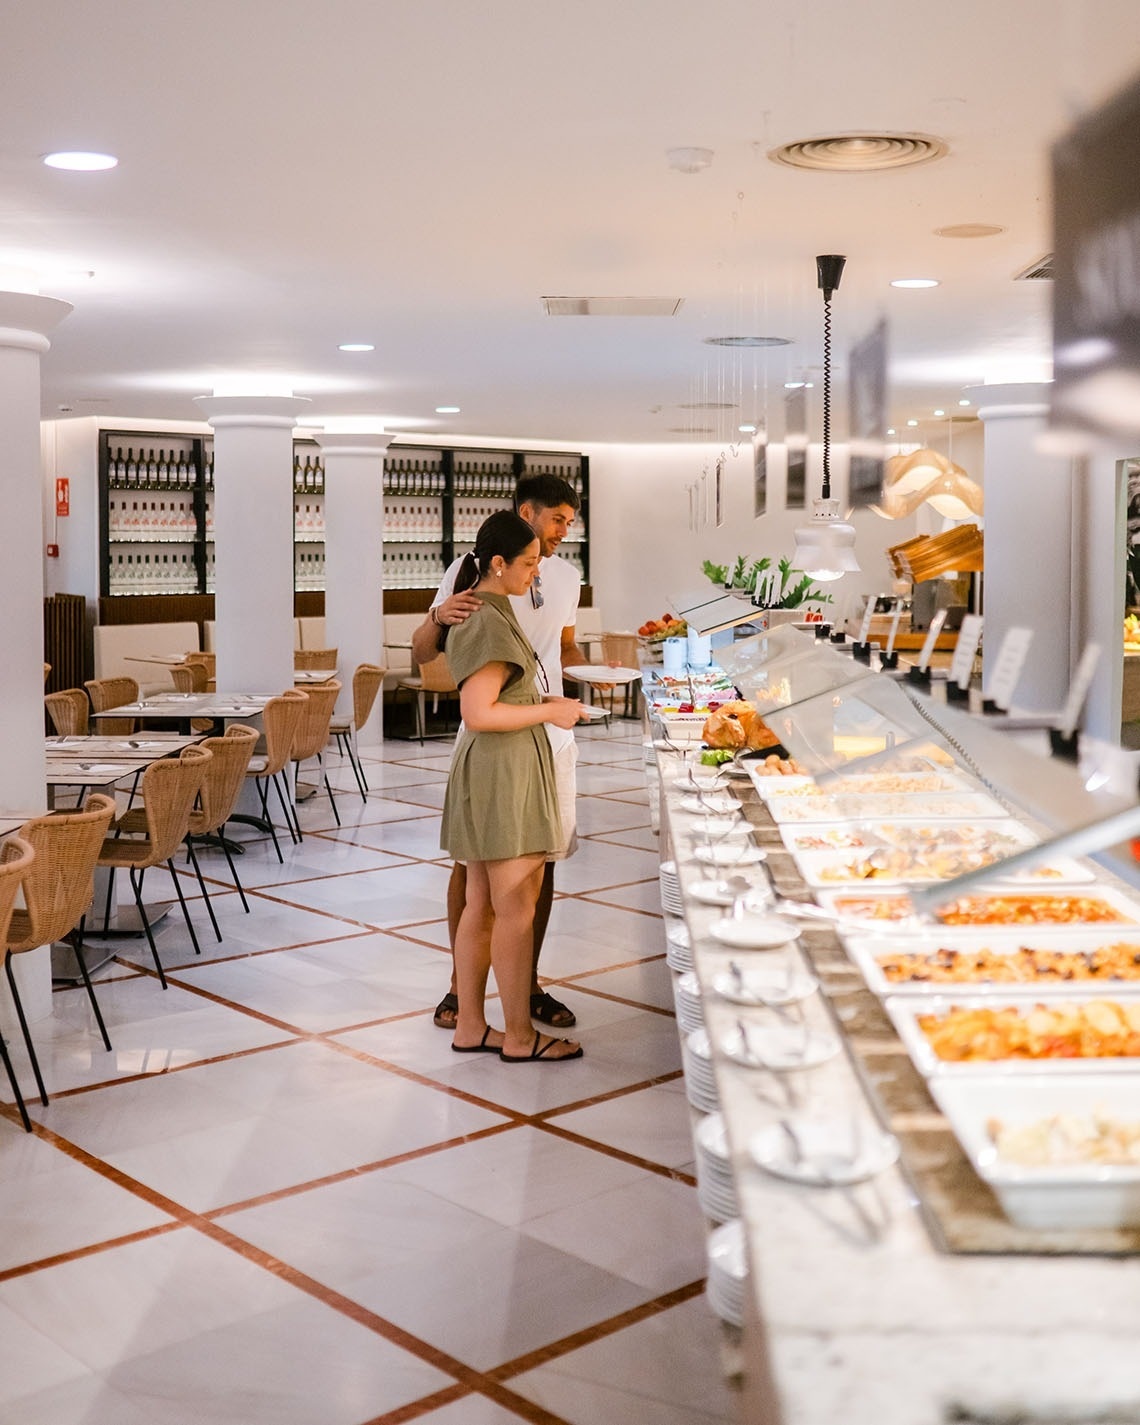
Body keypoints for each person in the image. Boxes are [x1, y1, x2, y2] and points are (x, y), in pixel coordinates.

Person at [412, 473, 586, 1032]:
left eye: (569, 521)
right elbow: (424, 650)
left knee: (542, 859)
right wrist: (439, 618)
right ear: (526, 512)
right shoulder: (470, 570)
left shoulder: (567, 577)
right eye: (557, 518)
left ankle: (524, 984)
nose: (564, 531)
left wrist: (589, 679)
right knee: (475, 868)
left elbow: (563, 648)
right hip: (495, 729)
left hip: (548, 732)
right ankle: (463, 991)